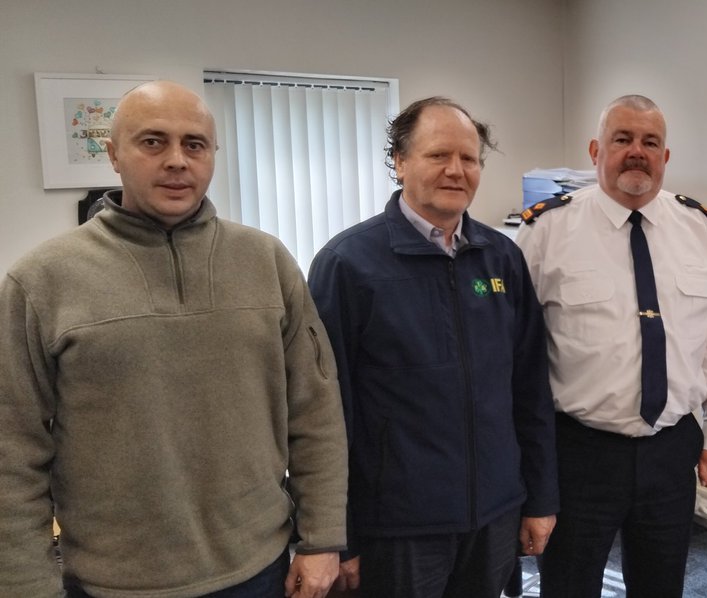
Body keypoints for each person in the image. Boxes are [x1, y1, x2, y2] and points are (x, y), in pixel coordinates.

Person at [0, 81, 347, 598]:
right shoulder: (42, 280)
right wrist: (27, 585)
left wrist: (321, 540)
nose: (178, 161)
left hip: (260, 567)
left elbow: (315, 411)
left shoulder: (267, 262)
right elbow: (13, 450)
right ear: (114, 155)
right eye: (153, 142)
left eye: (195, 144)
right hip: (113, 583)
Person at [307, 97, 558, 598]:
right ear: (399, 162)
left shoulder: (501, 257)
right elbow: (327, 413)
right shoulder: (348, 265)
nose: (456, 170)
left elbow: (530, 388)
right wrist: (340, 535)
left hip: (494, 512)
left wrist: (539, 498)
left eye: (469, 159)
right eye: (438, 155)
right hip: (399, 525)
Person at [516, 94, 707, 597]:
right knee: (569, 586)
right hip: (579, 452)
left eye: (650, 142)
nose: (636, 151)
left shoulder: (697, 227)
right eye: (623, 139)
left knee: (662, 586)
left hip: (671, 448)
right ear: (596, 150)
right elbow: (519, 357)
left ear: (666, 157)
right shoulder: (546, 229)